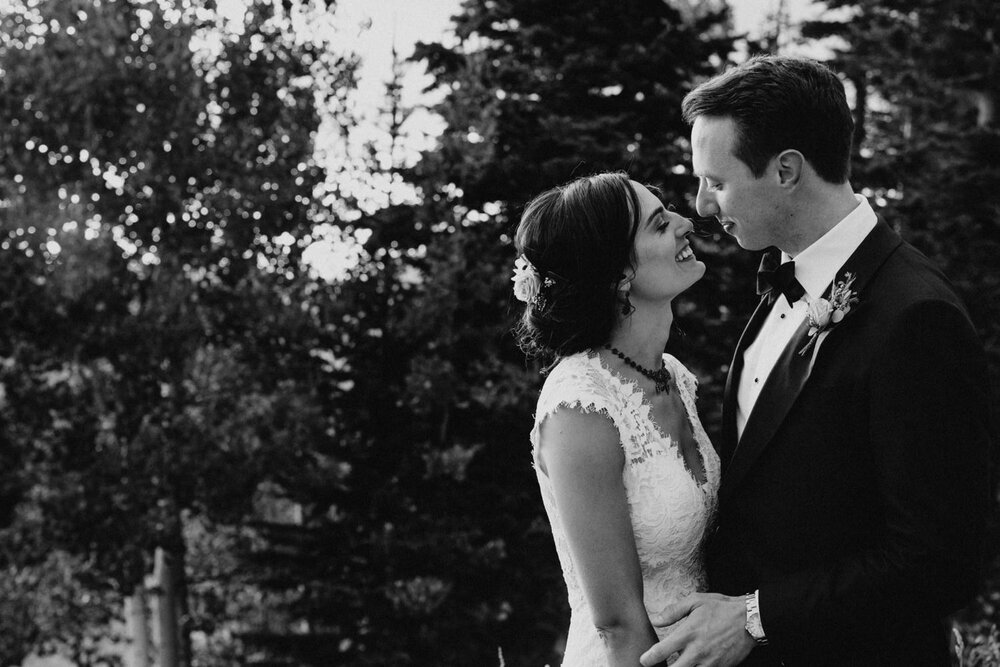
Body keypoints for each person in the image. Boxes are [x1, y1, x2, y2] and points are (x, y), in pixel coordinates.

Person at [639, 55, 992, 666]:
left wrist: (755, 618)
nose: (699, 205)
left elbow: (943, 560)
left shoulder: (915, 316)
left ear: (785, 171)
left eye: (716, 182)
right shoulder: (783, 281)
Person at [512, 171, 719, 666]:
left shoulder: (673, 376)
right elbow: (617, 625)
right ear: (619, 276)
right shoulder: (580, 407)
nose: (685, 222)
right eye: (658, 224)